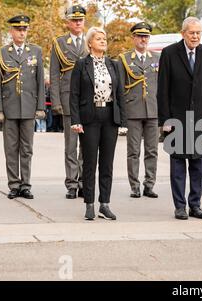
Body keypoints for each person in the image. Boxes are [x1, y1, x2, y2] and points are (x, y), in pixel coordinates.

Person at [157, 17, 202, 220]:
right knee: (178, 165)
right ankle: (180, 206)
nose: (195, 36)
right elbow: (162, 90)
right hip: (177, 119)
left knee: (198, 165)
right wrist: (165, 120)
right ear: (183, 33)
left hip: (200, 119)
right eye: (192, 33)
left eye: (199, 33)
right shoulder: (169, 53)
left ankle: (195, 205)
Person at [69, 27, 127, 220]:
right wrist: (75, 120)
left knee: (107, 163)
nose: (103, 41)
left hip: (109, 116)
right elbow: (74, 94)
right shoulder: (81, 64)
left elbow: (120, 94)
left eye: (104, 38)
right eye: (99, 39)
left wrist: (123, 121)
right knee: (90, 162)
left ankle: (105, 204)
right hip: (89, 117)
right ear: (90, 43)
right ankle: (89, 204)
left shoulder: (114, 64)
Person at [0, 15, 45, 199]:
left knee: (27, 148)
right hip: (9, 107)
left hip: (29, 107)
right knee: (11, 148)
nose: (22, 33)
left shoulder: (35, 51)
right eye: (18, 29)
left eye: (24, 29)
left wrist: (40, 107)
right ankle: (14, 184)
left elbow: (40, 81)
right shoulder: (2, 53)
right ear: (11, 31)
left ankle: (26, 185)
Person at [50, 4, 88, 199]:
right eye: (74, 20)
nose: (78, 23)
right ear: (68, 23)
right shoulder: (59, 44)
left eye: (80, 19)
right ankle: (71, 184)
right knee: (71, 145)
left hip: (87, 100)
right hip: (67, 98)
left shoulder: (90, 41)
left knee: (86, 144)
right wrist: (55, 101)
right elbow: (54, 75)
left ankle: (83, 182)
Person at [118, 22, 160, 199]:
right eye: (140, 36)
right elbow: (120, 87)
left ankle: (149, 185)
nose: (143, 39)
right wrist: (121, 115)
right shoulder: (125, 59)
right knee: (133, 151)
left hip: (153, 110)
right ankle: (134, 185)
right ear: (133, 38)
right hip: (133, 110)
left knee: (152, 151)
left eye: (146, 36)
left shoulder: (157, 58)